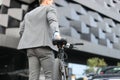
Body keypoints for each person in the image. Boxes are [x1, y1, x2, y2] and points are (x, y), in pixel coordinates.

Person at [17, 0, 61, 80]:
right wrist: (57, 35)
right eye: (52, 1)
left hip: (30, 49)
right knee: (50, 76)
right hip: (44, 47)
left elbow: (21, 31)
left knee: (33, 77)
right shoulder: (49, 8)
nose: (52, 3)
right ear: (47, 1)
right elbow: (53, 21)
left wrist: (29, 41)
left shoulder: (28, 14)